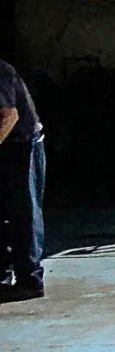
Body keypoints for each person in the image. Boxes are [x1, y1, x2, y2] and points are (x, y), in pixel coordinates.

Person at [0, 56, 46, 302]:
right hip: (5, 146)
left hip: (21, 145)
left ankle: (30, 280)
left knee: (23, 211)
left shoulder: (1, 71)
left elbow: (9, 116)